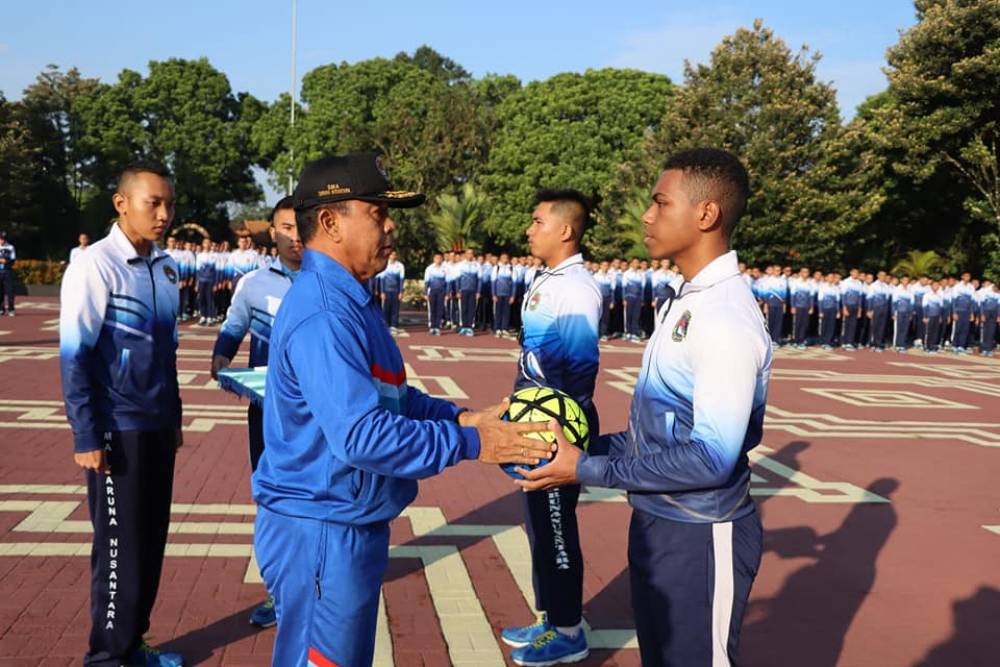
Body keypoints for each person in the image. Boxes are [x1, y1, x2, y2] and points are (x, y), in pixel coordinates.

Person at [251, 153, 554, 667]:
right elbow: (362, 436)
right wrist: (474, 442)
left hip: (345, 520)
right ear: (330, 221)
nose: (390, 226)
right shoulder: (325, 312)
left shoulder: (350, 301)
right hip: (322, 529)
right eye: (377, 213)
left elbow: (393, 397)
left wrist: (458, 419)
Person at [517, 149, 770, 666]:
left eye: (660, 202)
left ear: (707, 213)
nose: (647, 216)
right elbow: (656, 434)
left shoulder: (725, 317)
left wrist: (586, 467)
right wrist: (574, 449)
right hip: (658, 519)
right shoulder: (685, 300)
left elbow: (710, 459)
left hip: (701, 532)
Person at [59, 161, 184, 667]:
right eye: (153, 203)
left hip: (157, 425)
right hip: (116, 427)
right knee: (119, 547)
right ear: (121, 203)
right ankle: (107, 657)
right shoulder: (95, 264)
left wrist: (174, 418)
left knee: (151, 541)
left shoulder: (167, 267)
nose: (163, 214)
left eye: (169, 204)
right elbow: (75, 354)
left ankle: (133, 644)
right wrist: (86, 433)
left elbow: (168, 352)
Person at [501, 189, 602, 665]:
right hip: (535, 422)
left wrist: (559, 433)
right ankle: (550, 616)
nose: (529, 229)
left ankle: (568, 631)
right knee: (540, 526)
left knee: (558, 528)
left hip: (557, 429)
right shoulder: (549, 278)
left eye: (538, 221)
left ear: (564, 230)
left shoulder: (576, 288)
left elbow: (580, 369)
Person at [210, 196, 302, 628]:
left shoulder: (334, 282)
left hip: (321, 416)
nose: (294, 236)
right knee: (272, 498)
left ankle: (318, 589)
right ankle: (278, 591)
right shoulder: (253, 283)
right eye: (286, 227)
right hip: (268, 411)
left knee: (317, 498)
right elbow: (233, 327)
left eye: (300, 226)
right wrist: (221, 358)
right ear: (273, 232)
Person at [378, 250, 405, 334]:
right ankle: (386, 325)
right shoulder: (385, 264)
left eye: (394, 255)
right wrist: (382, 292)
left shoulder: (400, 266)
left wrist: (401, 292)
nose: (393, 256)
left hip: (396, 291)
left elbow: (401, 279)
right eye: (391, 255)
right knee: (386, 309)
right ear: (389, 255)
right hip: (386, 290)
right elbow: (382, 279)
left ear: (396, 256)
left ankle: (394, 326)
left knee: (395, 309)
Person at [491, 252, 515, 337]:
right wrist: (493, 294)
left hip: (508, 294)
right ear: (500, 259)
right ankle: (497, 328)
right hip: (498, 293)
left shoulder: (511, 268)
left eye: (506, 258)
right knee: (498, 311)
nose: (504, 259)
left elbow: (514, 283)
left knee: (506, 312)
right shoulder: (497, 268)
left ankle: (504, 328)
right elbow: (493, 282)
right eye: (503, 258)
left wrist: (513, 295)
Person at [423, 252, 447, 335]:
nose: (438, 260)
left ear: (442, 259)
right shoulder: (429, 268)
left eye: (440, 258)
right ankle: (432, 327)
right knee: (432, 309)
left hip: (442, 291)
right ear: (434, 259)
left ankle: (437, 327)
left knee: (440, 309)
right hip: (432, 291)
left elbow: (447, 282)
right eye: (436, 258)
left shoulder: (445, 269)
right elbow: (426, 281)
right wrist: (425, 293)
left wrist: (447, 293)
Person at [0, 230, 16, 316]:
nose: (2, 240)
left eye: (4, 239)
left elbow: (13, 260)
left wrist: (6, 261)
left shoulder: (10, 247)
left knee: (10, 291)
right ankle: (1, 309)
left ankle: (11, 309)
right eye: (1, 238)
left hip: (7, 271)